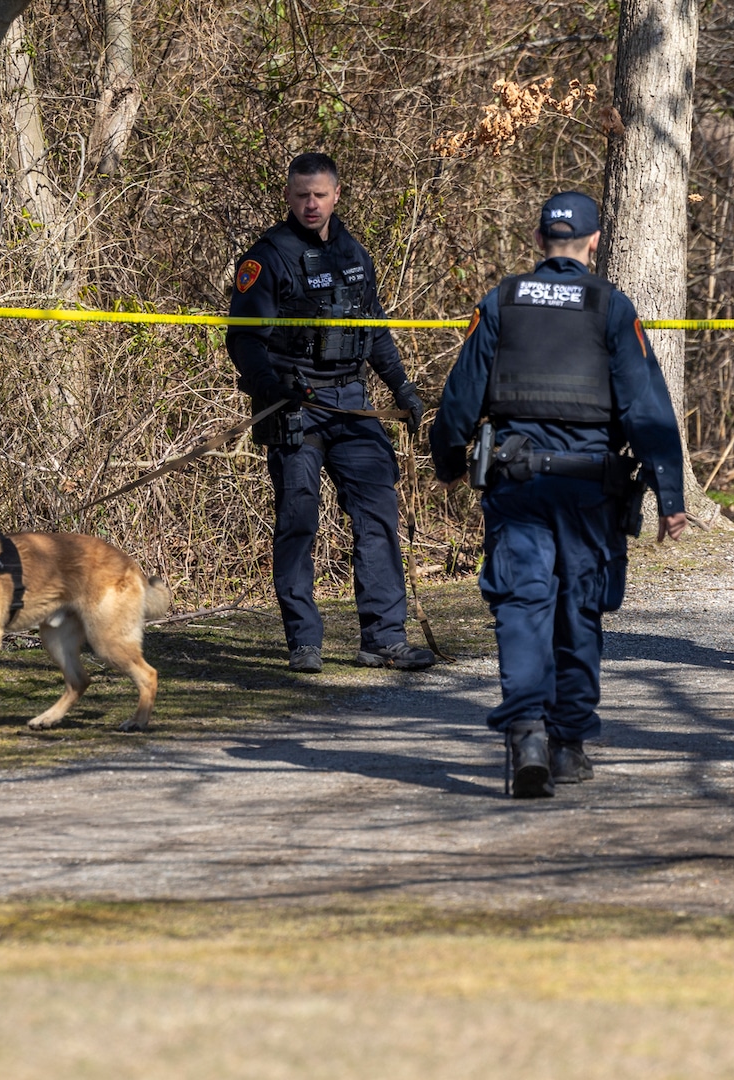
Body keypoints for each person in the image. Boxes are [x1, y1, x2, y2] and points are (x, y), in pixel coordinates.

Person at [430, 192, 687, 798]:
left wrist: (446, 461)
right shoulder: (611, 308)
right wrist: (669, 496)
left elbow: (461, 398)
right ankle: (568, 745)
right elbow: (648, 410)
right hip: (588, 493)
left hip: (517, 487)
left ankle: (526, 734)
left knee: (523, 607)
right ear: (595, 241)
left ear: (537, 237)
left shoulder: (501, 302)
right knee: (579, 611)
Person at [226, 152, 434, 674]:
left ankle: (383, 640)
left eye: (319, 194)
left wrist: (402, 387)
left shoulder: (353, 253)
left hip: (352, 404)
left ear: (336, 194)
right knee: (298, 521)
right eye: (301, 195)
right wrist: (273, 386)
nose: (310, 204)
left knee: (377, 518)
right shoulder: (267, 257)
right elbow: (243, 341)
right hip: (293, 404)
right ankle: (304, 643)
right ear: (288, 197)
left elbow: (375, 331)